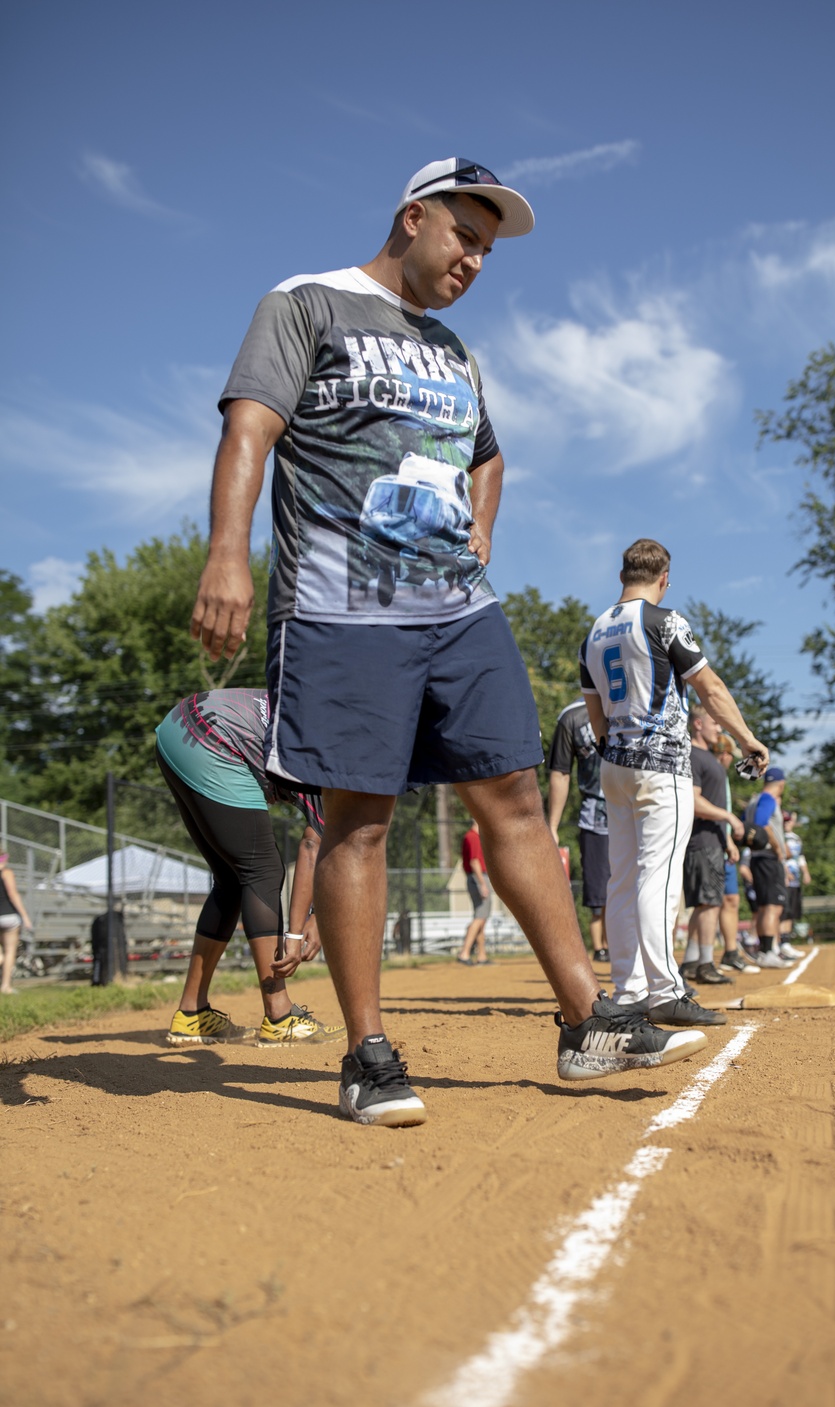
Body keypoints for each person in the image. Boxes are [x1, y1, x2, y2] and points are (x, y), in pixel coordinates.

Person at [190, 160, 703, 1126]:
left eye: (488, 247)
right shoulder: (307, 304)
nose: (475, 258)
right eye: (464, 235)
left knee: (514, 796)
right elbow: (250, 428)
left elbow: (487, 451)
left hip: (457, 609)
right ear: (413, 217)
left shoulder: (455, 351)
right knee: (360, 819)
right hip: (342, 607)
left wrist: (485, 526)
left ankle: (587, 1018)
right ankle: (368, 1055)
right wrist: (228, 553)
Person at [580, 538, 770, 1028]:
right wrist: (747, 739)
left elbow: (594, 713)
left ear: (622, 575)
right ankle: (665, 990)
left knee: (621, 878)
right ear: (664, 578)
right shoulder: (666, 622)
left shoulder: (595, 631)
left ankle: (630, 989)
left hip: (614, 766)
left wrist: (614, 750)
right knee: (658, 879)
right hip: (660, 767)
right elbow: (710, 688)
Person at [155, 687, 343, 1047]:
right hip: (213, 738)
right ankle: (280, 1015)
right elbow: (312, 846)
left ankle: (191, 1014)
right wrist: (297, 931)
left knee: (231, 879)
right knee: (263, 871)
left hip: (177, 727)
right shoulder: (343, 761)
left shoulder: (338, 720)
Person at [679, 708, 745, 987]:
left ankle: (692, 962)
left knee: (705, 904)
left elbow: (714, 800)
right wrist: (729, 817)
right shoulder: (693, 756)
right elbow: (694, 802)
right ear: (697, 723)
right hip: (701, 842)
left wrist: (727, 838)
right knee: (709, 904)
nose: (719, 729)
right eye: (715, 723)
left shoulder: (708, 756)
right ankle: (706, 963)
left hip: (713, 841)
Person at [547, 698, 609, 962]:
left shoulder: (635, 704)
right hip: (595, 817)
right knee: (598, 890)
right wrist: (552, 825)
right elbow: (560, 772)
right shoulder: (572, 717)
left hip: (634, 815)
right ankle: (600, 948)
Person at [712, 733, 758, 974]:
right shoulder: (708, 772)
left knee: (731, 899)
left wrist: (729, 838)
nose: (730, 760)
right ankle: (701, 958)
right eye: (729, 754)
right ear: (723, 753)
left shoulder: (722, 777)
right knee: (708, 903)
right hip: (712, 844)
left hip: (724, 843)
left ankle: (731, 953)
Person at [745, 767, 791, 969]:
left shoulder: (754, 800)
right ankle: (768, 951)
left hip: (758, 858)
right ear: (781, 784)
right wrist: (777, 848)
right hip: (768, 858)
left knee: (765, 906)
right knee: (773, 906)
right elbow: (762, 824)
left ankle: (766, 951)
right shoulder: (767, 799)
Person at [457, 818, 490, 964]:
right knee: (480, 917)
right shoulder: (473, 837)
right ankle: (464, 952)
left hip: (476, 877)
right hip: (479, 877)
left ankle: (482, 955)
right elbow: (474, 861)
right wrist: (482, 883)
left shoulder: (472, 836)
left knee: (481, 917)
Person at [0, 852, 33, 996]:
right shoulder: (6, 873)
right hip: (8, 917)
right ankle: (5, 986)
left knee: (2, 954)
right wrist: (25, 917)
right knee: (9, 952)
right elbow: (13, 895)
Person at [780, 811, 811, 958]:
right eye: (785, 821)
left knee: (791, 912)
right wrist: (785, 872)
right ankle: (780, 943)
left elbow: (801, 857)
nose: (787, 823)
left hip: (795, 881)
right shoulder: (779, 836)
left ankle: (786, 943)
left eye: (789, 821)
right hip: (783, 880)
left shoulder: (797, 839)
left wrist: (806, 872)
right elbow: (778, 856)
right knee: (782, 912)